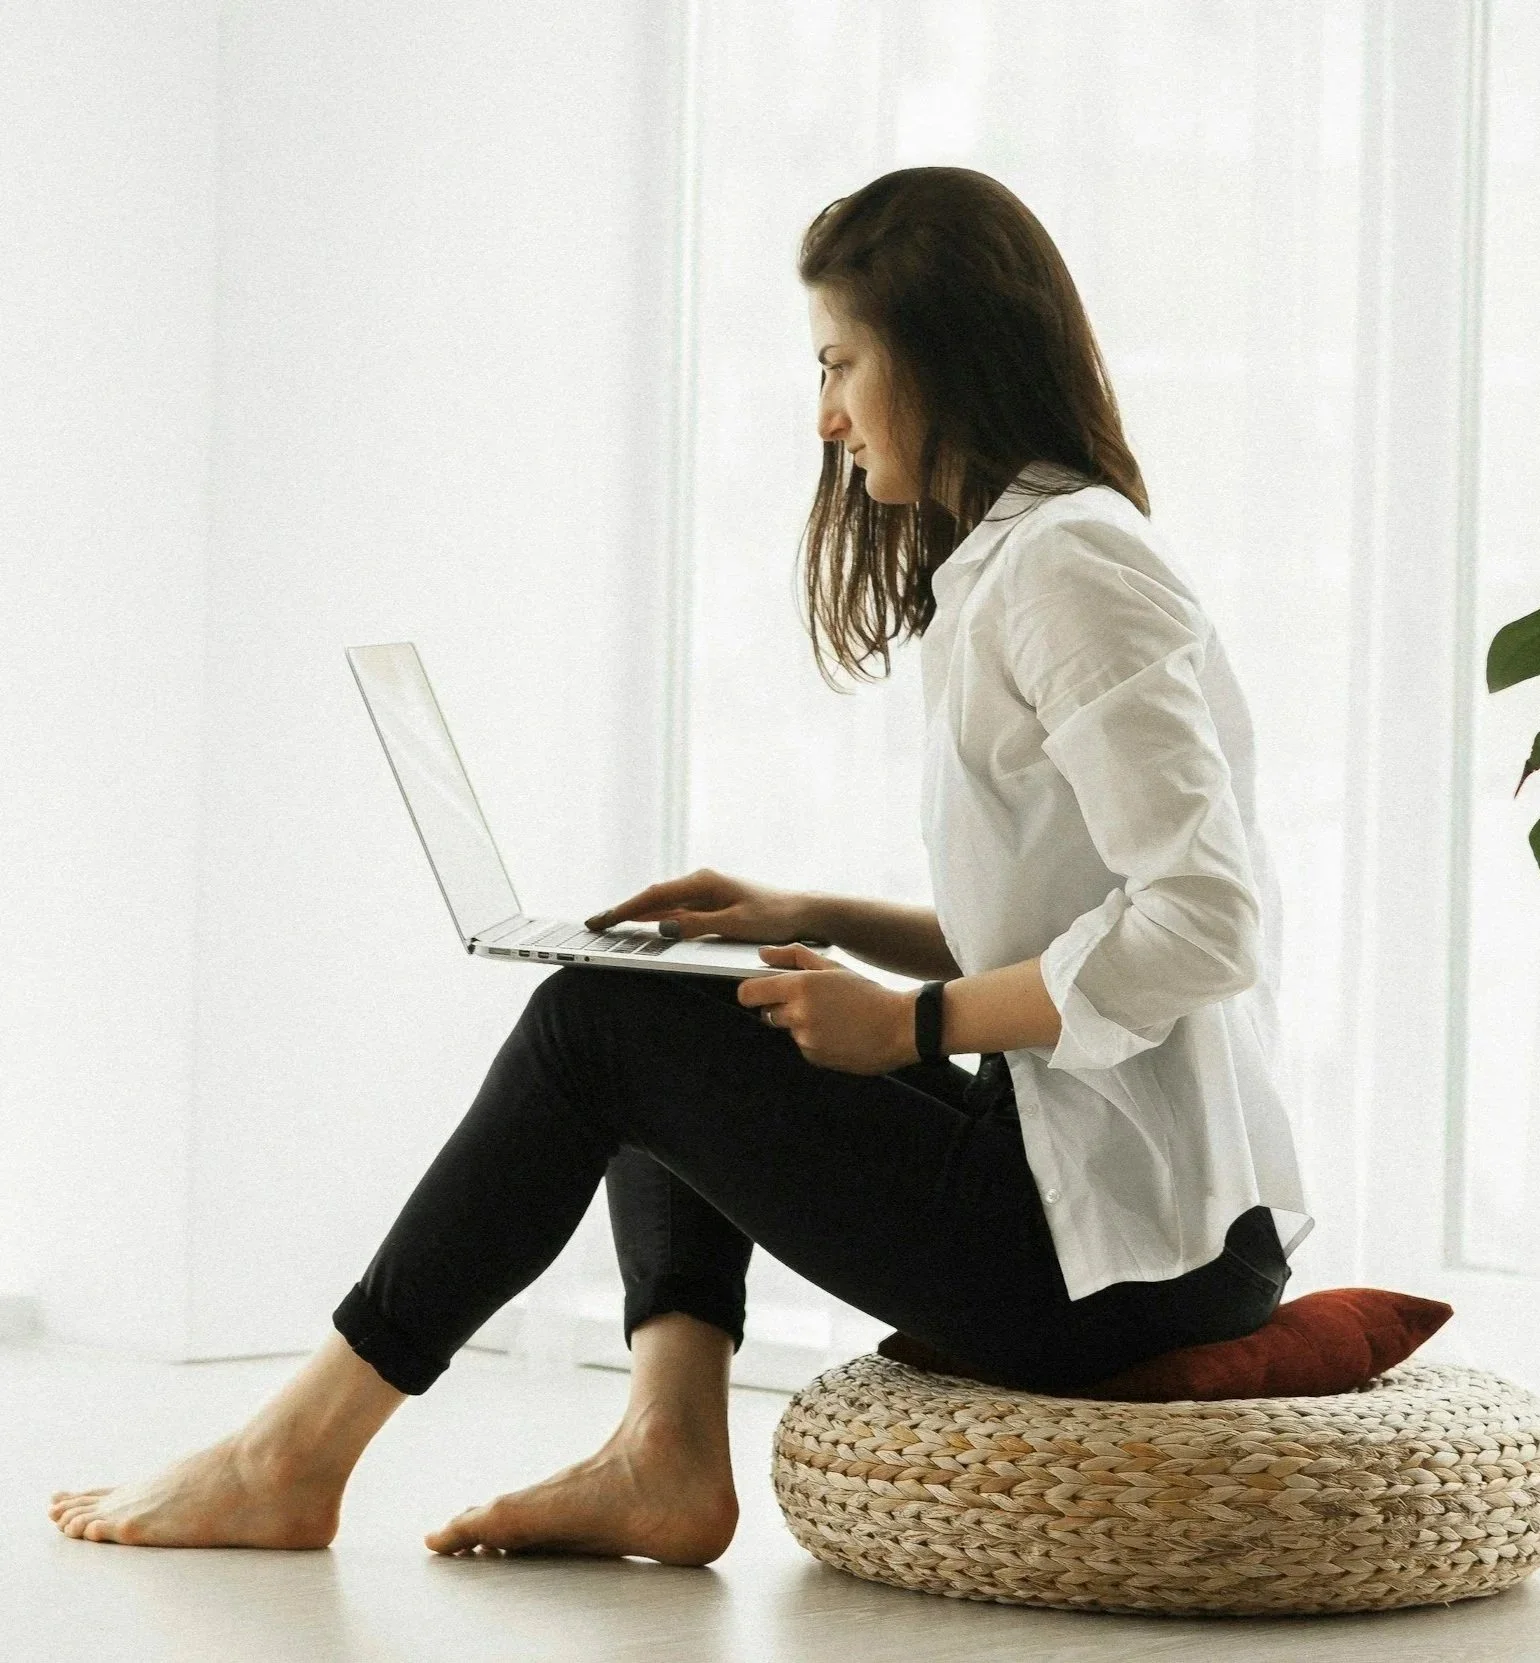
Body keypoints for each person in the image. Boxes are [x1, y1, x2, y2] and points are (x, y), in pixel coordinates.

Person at [48, 165, 1308, 1562]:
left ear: (943, 352)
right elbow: (1078, 921)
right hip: (1105, 1211)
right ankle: (664, 1447)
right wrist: (812, 917)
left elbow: (1201, 922)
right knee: (688, 984)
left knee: (598, 1027)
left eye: (841, 363)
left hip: (1123, 1262)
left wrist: (913, 1024)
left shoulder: (1070, 564)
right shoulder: (1024, 558)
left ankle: (294, 1453)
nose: (825, 413)